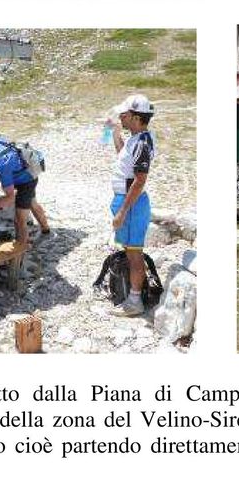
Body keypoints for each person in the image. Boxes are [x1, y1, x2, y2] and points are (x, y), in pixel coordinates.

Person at [103, 94, 156, 316]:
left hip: (131, 205)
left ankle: (135, 302)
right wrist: (115, 133)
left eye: (123, 115)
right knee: (129, 249)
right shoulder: (136, 139)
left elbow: (139, 180)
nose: (120, 118)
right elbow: (123, 156)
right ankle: (132, 294)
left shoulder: (143, 143)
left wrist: (123, 211)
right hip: (126, 201)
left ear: (135, 117)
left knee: (134, 254)